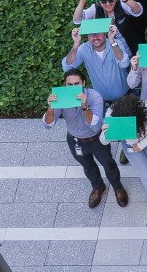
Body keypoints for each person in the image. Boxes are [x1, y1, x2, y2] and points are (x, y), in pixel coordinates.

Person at [45, 70, 127, 209]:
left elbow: (95, 126)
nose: (72, 88)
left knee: (108, 164)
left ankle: (117, 186)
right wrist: (51, 109)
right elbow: (48, 124)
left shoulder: (94, 96)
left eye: (76, 84)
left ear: (83, 83)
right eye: (69, 85)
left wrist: (85, 107)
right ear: (64, 85)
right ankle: (98, 186)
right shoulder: (60, 97)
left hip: (96, 139)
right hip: (75, 140)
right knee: (88, 166)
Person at [98, 93, 147, 228]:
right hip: (130, 147)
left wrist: (141, 145)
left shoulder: (146, 108)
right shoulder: (111, 114)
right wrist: (105, 133)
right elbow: (103, 142)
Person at [62, 22, 132, 104]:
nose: (95, 37)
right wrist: (75, 45)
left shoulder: (116, 43)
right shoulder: (84, 49)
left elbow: (124, 63)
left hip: (125, 96)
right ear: (87, 36)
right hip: (101, 100)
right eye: (91, 34)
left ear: (105, 33)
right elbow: (67, 67)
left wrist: (112, 41)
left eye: (98, 33)